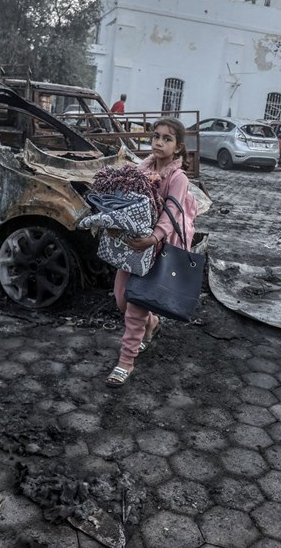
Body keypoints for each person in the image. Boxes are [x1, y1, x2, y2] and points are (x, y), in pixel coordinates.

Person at [106, 117, 197, 387]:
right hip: (135, 244)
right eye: (156, 136)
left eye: (167, 139)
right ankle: (152, 323)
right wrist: (114, 223)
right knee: (122, 299)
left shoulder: (178, 178)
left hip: (159, 246)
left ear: (178, 148)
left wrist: (153, 238)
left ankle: (126, 361)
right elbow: (127, 203)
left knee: (136, 305)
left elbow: (171, 215)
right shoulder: (140, 169)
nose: (158, 142)